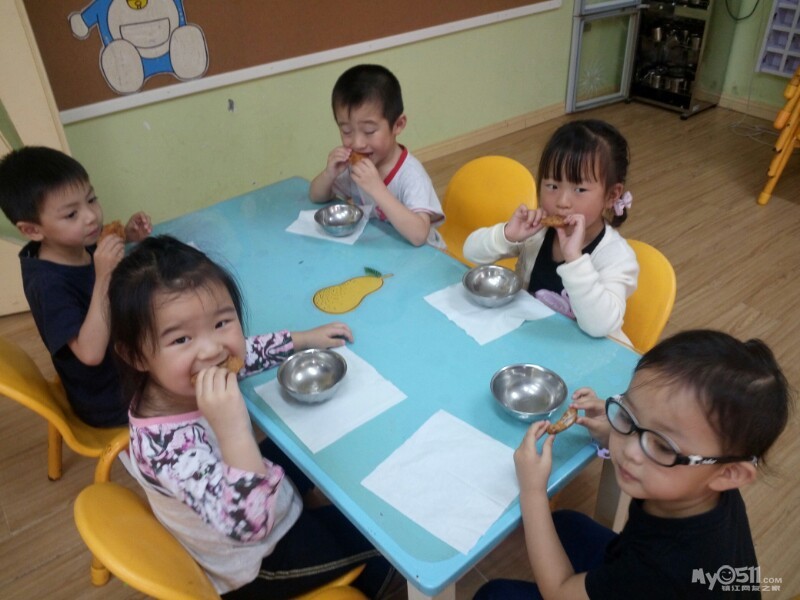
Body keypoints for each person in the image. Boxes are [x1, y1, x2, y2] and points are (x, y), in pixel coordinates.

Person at [107, 235, 396, 598]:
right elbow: (248, 524)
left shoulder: (178, 378)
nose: (212, 349)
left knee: (308, 444)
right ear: (135, 355)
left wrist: (301, 339)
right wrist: (232, 429)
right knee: (387, 541)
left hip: (255, 494)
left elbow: (243, 353)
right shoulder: (168, 450)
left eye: (221, 323)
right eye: (181, 340)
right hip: (258, 561)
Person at [474, 329, 791, 600]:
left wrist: (532, 491)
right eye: (628, 415)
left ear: (730, 473)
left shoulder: (664, 570)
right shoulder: (707, 480)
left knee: (494, 594)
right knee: (566, 524)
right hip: (636, 560)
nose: (629, 451)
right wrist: (617, 427)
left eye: (662, 445)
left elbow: (559, 593)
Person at [0, 146, 152, 427]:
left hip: (127, 359)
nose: (91, 216)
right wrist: (104, 277)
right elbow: (90, 353)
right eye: (71, 214)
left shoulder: (77, 243)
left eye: (91, 199)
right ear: (33, 230)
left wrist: (129, 237)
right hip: (112, 399)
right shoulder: (47, 284)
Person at [463, 120, 638, 345]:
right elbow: (471, 253)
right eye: (552, 186)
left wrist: (574, 259)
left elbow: (600, 326)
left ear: (611, 196)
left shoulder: (616, 257)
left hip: (581, 353)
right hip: (530, 338)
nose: (562, 202)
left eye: (579, 189)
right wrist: (507, 235)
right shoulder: (537, 232)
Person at [309, 64, 445, 248]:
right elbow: (316, 196)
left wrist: (377, 188)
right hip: (383, 248)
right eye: (347, 131)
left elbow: (419, 235)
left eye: (369, 131)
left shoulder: (411, 175)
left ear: (398, 125)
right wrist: (329, 174)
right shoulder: (356, 166)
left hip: (423, 256)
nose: (357, 143)